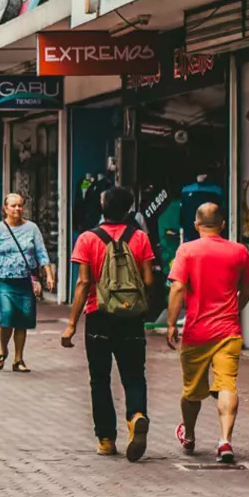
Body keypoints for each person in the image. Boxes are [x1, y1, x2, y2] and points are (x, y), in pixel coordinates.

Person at [61, 185, 155, 461]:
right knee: (134, 375)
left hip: (99, 315)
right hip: (131, 317)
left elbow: (83, 282)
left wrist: (71, 324)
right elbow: (149, 280)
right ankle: (136, 415)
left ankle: (105, 439)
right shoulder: (140, 238)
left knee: (99, 379)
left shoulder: (88, 239)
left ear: (103, 207)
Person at [165, 203, 249, 463]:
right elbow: (247, 291)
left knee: (192, 390)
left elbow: (178, 289)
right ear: (223, 224)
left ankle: (189, 434)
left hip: (196, 332)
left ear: (196, 225)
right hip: (229, 332)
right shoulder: (239, 251)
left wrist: (171, 323)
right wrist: (232, 311)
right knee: (227, 384)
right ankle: (225, 441)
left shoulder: (187, 251)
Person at [0, 193, 55, 373]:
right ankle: (2, 351)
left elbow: (41, 252)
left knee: (23, 319)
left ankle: (18, 359)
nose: (17, 209)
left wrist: (49, 275)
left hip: (25, 281)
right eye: (13, 206)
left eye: (20, 206)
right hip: (4, 280)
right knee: (7, 314)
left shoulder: (32, 228)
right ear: (5, 209)